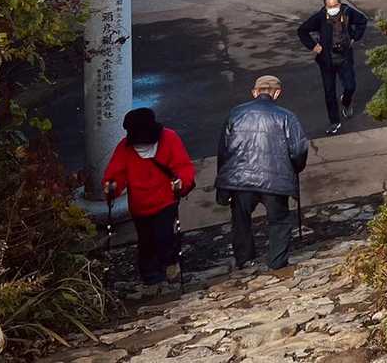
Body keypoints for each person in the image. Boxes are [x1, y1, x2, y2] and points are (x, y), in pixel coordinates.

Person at [215, 74, 308, 271]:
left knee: (241, 221)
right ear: (277, 93)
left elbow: (223, 150)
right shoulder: (286, 116)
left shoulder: (235, 114)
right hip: (274, 179)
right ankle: (277, 261)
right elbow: (299, 150)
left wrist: (223, 185)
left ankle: (245, 260)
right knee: (279, 221)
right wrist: (295, 168)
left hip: (240, 178)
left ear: (255, 92)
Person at [102, 107, 195, 287]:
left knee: (164, 236)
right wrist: (111, 186)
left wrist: (181, 181)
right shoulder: (125, 148)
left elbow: (183, 166)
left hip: (165, 199)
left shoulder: (169, 138)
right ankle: (151, 275)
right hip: (140, 205)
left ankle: (169, 266)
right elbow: (116, 174)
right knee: (146, 241)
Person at [297, 0, 367, 135]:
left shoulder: (347, 12)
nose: (333, 8)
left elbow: (362, 21)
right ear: (325, 6)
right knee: (329, 92)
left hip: (344, 58)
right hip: (326, 60)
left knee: (350, 86)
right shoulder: (320, 17)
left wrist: (354, 37)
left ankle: (346, 101)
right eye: (329, 6)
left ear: (339, 4)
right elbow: (302, 30)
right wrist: (313, 46)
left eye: (335, 5)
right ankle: (334, 121)